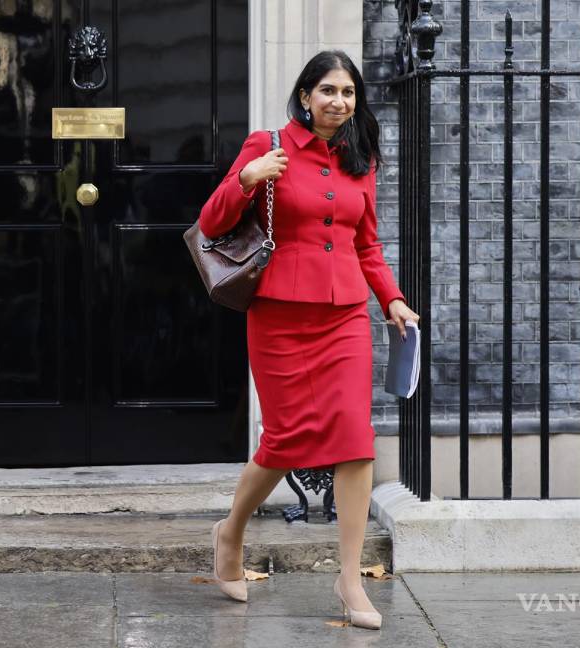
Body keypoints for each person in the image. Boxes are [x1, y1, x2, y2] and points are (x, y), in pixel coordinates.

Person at [197, 50, 420, 631]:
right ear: (305, 96)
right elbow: (213, 223)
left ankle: (349, 577)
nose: (339, 101)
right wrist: (247, 180)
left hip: (345, 315)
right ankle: (231, 533)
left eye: (348, 92)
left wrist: (391, 297)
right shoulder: (266, 145)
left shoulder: (361, 158)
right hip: (278, 315)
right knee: (286, 439)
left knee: (355, 437)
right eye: (328, 90)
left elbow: (366, 244)